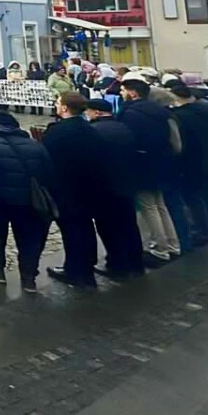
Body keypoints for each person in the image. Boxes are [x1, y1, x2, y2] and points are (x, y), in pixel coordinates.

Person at [0, 108, 53, 293]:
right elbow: (47, 171)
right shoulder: (36, 146)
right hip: (27, 200)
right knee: (29, 238)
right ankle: (29, 277)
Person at [42, 93, 100, 287]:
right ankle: (88, 266)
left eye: (58, 103)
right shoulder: (90, 129)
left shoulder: (56, 132)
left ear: (65, 108)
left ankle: (74, 270)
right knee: (85, 226)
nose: (56, 106)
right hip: (88, 187)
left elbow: (47, 160)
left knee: (71, 230)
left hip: (65, 189)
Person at [120, 78, 182, 260]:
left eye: (123, 91)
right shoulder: (161, 111)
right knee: (160, 204)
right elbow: (175, 140)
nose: (121, 94)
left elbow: (128, 140)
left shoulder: (130, 113)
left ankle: (160, 247)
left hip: (142, 163)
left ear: (132, 93)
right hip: (162, 161)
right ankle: (173, 243)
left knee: (149, 206)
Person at [83, 99, 144, 280]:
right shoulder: (123, 127)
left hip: (105, 187)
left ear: (97, 112)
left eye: (89, 112)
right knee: (129, 226)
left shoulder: (93, 131)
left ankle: (117, 265)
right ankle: (136, 262)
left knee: (109, 228)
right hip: (126, 184)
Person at [166, 80, 208, 246]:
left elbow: (180, 144)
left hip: (189, 162)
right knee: (204, 193)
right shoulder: (204, 110)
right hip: (205, 157)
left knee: (192, 197)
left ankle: (202, 230)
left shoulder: (180, 117)